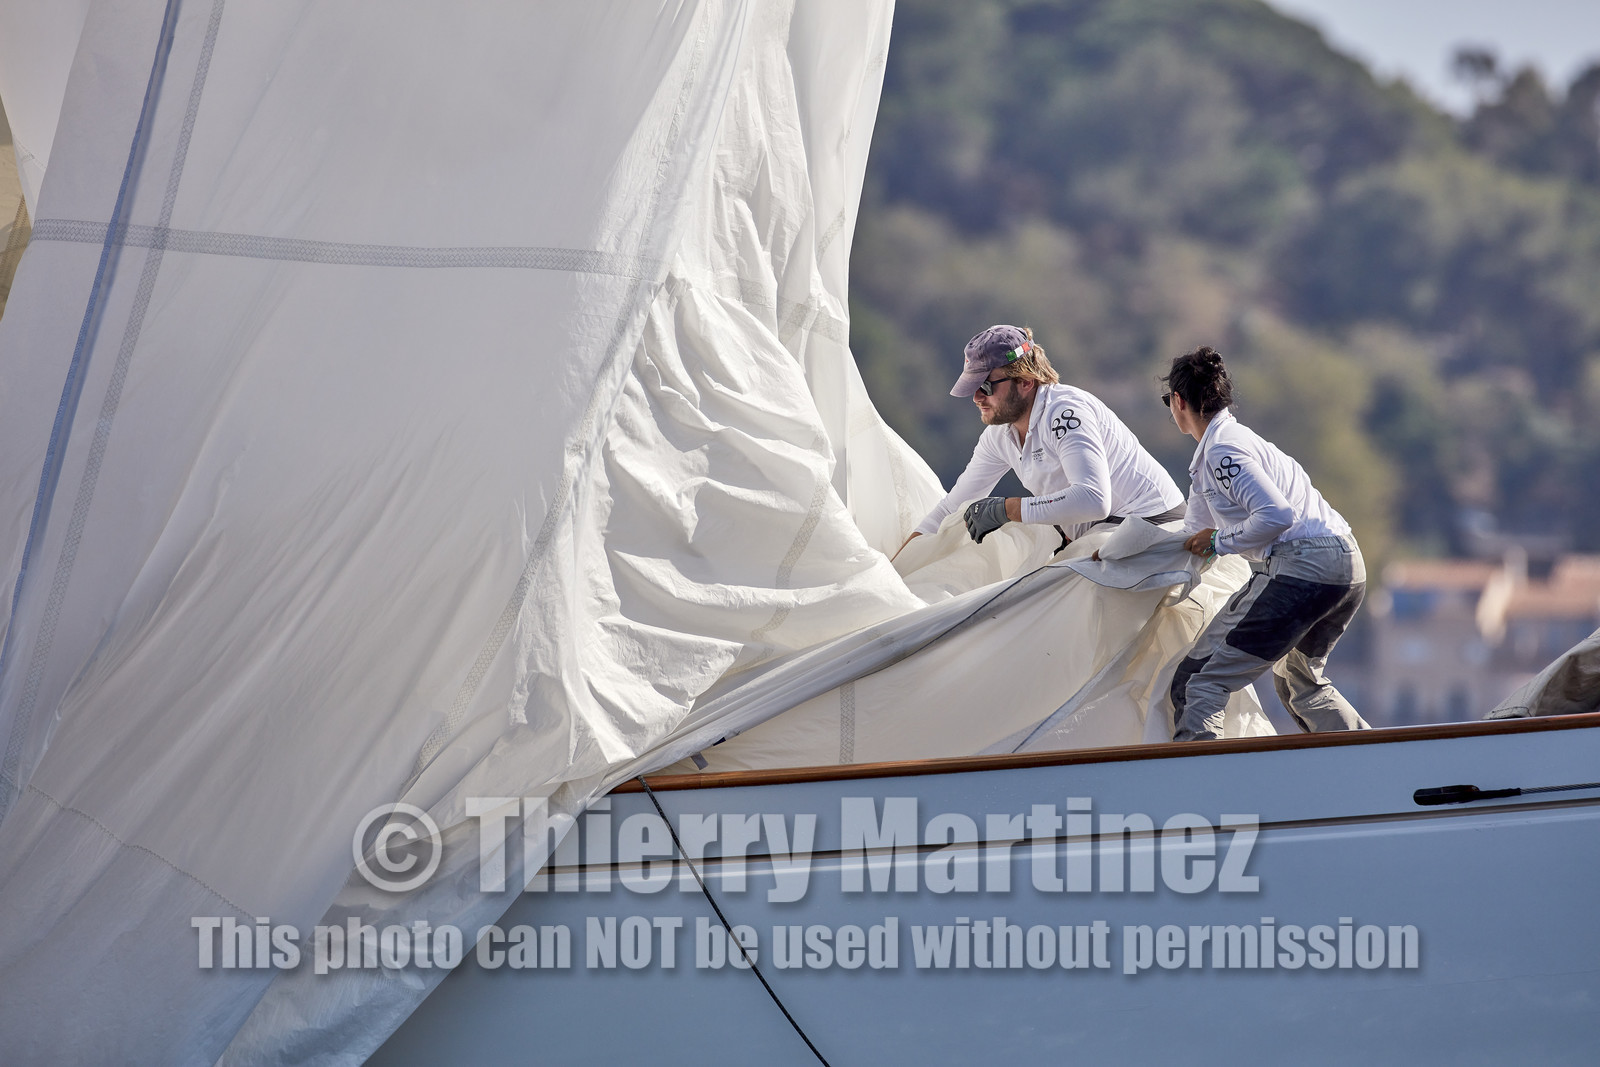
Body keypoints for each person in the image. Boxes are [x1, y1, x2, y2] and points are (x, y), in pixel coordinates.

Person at [1163, 345, 1370, 741]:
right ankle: (1374, 765)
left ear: (1178, 401)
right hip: (1345, 564)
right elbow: (1192, 533)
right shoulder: (1226, 446)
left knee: (1197, 684)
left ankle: (1199, 788)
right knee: (1299, 682)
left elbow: (1275, 516)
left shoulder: (1223, 451)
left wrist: (1220, 541)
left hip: (1305, 568)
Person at [895, 324, 1184, 558]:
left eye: (985, 386)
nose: (976, 398)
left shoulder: (1065, 413)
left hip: (1155, 526)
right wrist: (899, 567)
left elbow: (1094, 499)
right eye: (972, 387)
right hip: (1108, 532)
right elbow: (951, 509)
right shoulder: (998, 436)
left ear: (1025, 382)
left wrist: (1007, 509)